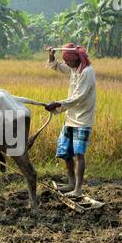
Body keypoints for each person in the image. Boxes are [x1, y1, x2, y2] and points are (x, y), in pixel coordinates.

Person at [44, 43, 96, 198]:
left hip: (83, 118)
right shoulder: (74, 69)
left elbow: (79, 96)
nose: (65, 63)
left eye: (67, 60)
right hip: (70, 117)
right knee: (66, 151)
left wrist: (58, 104)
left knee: (79, 154)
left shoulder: (87, 72)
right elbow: (57, 66)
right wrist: (51, 56)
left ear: (75, 58)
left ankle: (78, 189)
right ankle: (71, 183)